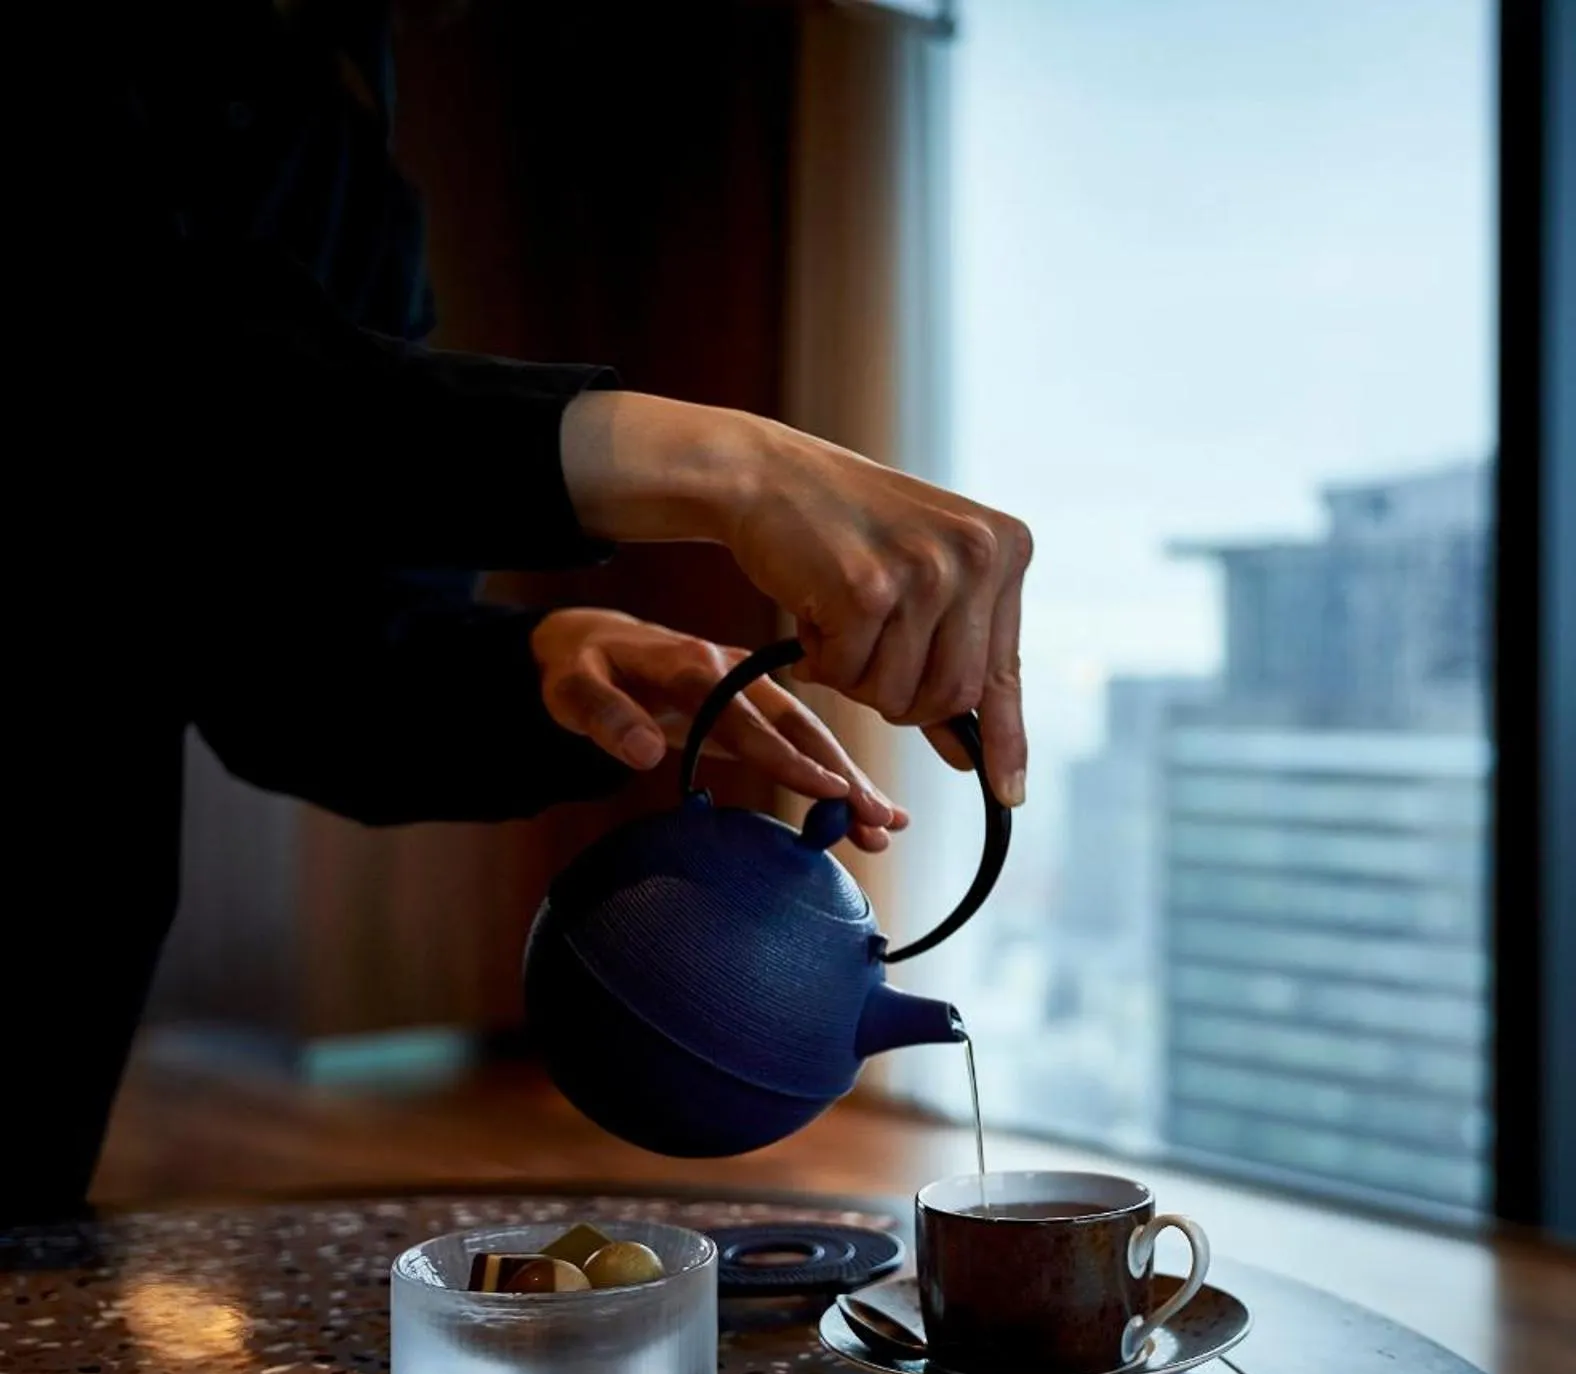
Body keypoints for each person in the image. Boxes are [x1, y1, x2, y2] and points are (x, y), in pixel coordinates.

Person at [19, 1, 1032, 1217]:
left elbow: (291, 667)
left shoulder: (338, 112)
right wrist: (713, 462)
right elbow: (116, 388)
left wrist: (542, 663)